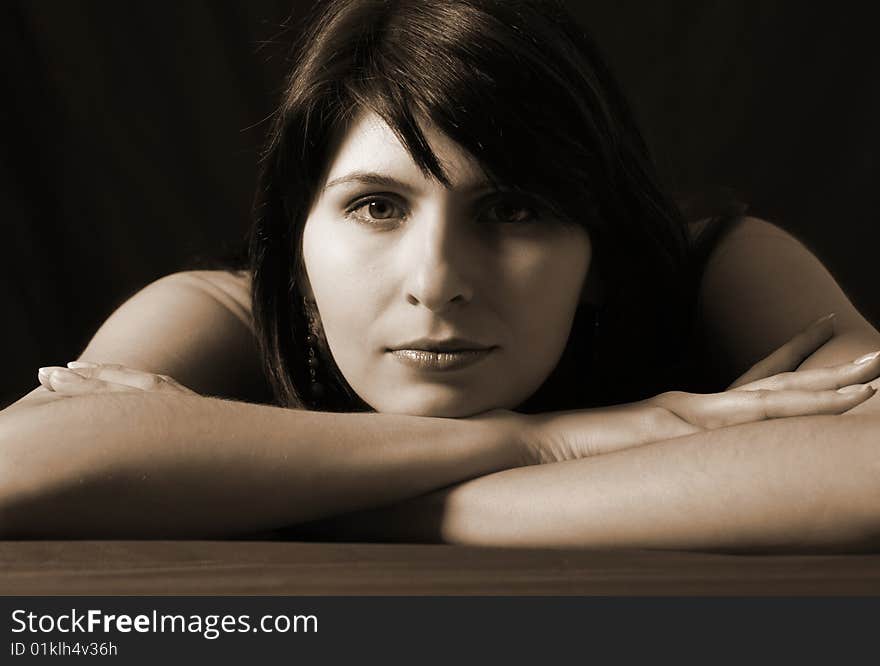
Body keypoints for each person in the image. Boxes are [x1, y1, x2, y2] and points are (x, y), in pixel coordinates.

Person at [2, 0, 879, 551]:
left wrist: (310, 507)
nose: (437, 280)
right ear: (296, 245)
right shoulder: (219, 313)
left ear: (602, 253)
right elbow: (19, 466)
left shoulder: (720, 266)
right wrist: (544, 440)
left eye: (513, 211)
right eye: (378, 207)